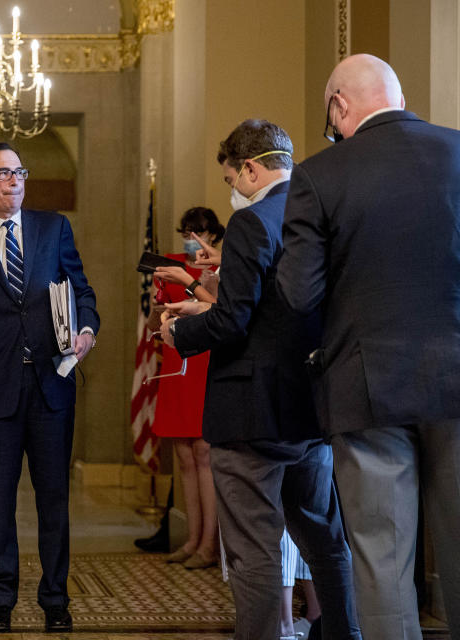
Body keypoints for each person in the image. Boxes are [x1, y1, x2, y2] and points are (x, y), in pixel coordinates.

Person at [277, 53, 460, 638]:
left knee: (382, 553)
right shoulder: (458, 152)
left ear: (339, 105)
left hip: (366, 386)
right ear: (397, 96)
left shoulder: (320, 174)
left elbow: (299, 296)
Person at [160, 119, 360, 640]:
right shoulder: (323, 212)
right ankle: (345, 633)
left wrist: (178, 333)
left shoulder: (253, 222)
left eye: (231, 180)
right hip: (311, 406)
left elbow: (232, 321)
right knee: (324, 539)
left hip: (250, 413)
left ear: (249, 169)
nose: (233, 191)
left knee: (254, 550)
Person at [0, 142, 99, 634]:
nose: (14, 181)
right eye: (3, 173)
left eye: (20, 172)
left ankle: (55, 597)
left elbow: (83, 291)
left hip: (52, 386)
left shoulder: (54, 228)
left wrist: (87, 329)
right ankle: (0, 599)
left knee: (54, 499)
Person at [145, 207, 222, 570]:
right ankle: (192, 538)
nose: (193, 238)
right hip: (177, 359)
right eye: (187, 231)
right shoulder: (170, 265)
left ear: (213, 234)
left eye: (201, 231)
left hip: (207, 359)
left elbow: (225, 312)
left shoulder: (219, 265)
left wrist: (200, 288)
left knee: (204, 452)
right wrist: (158, 310)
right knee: (184, 456)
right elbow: (150, 321)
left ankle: (211, 543)